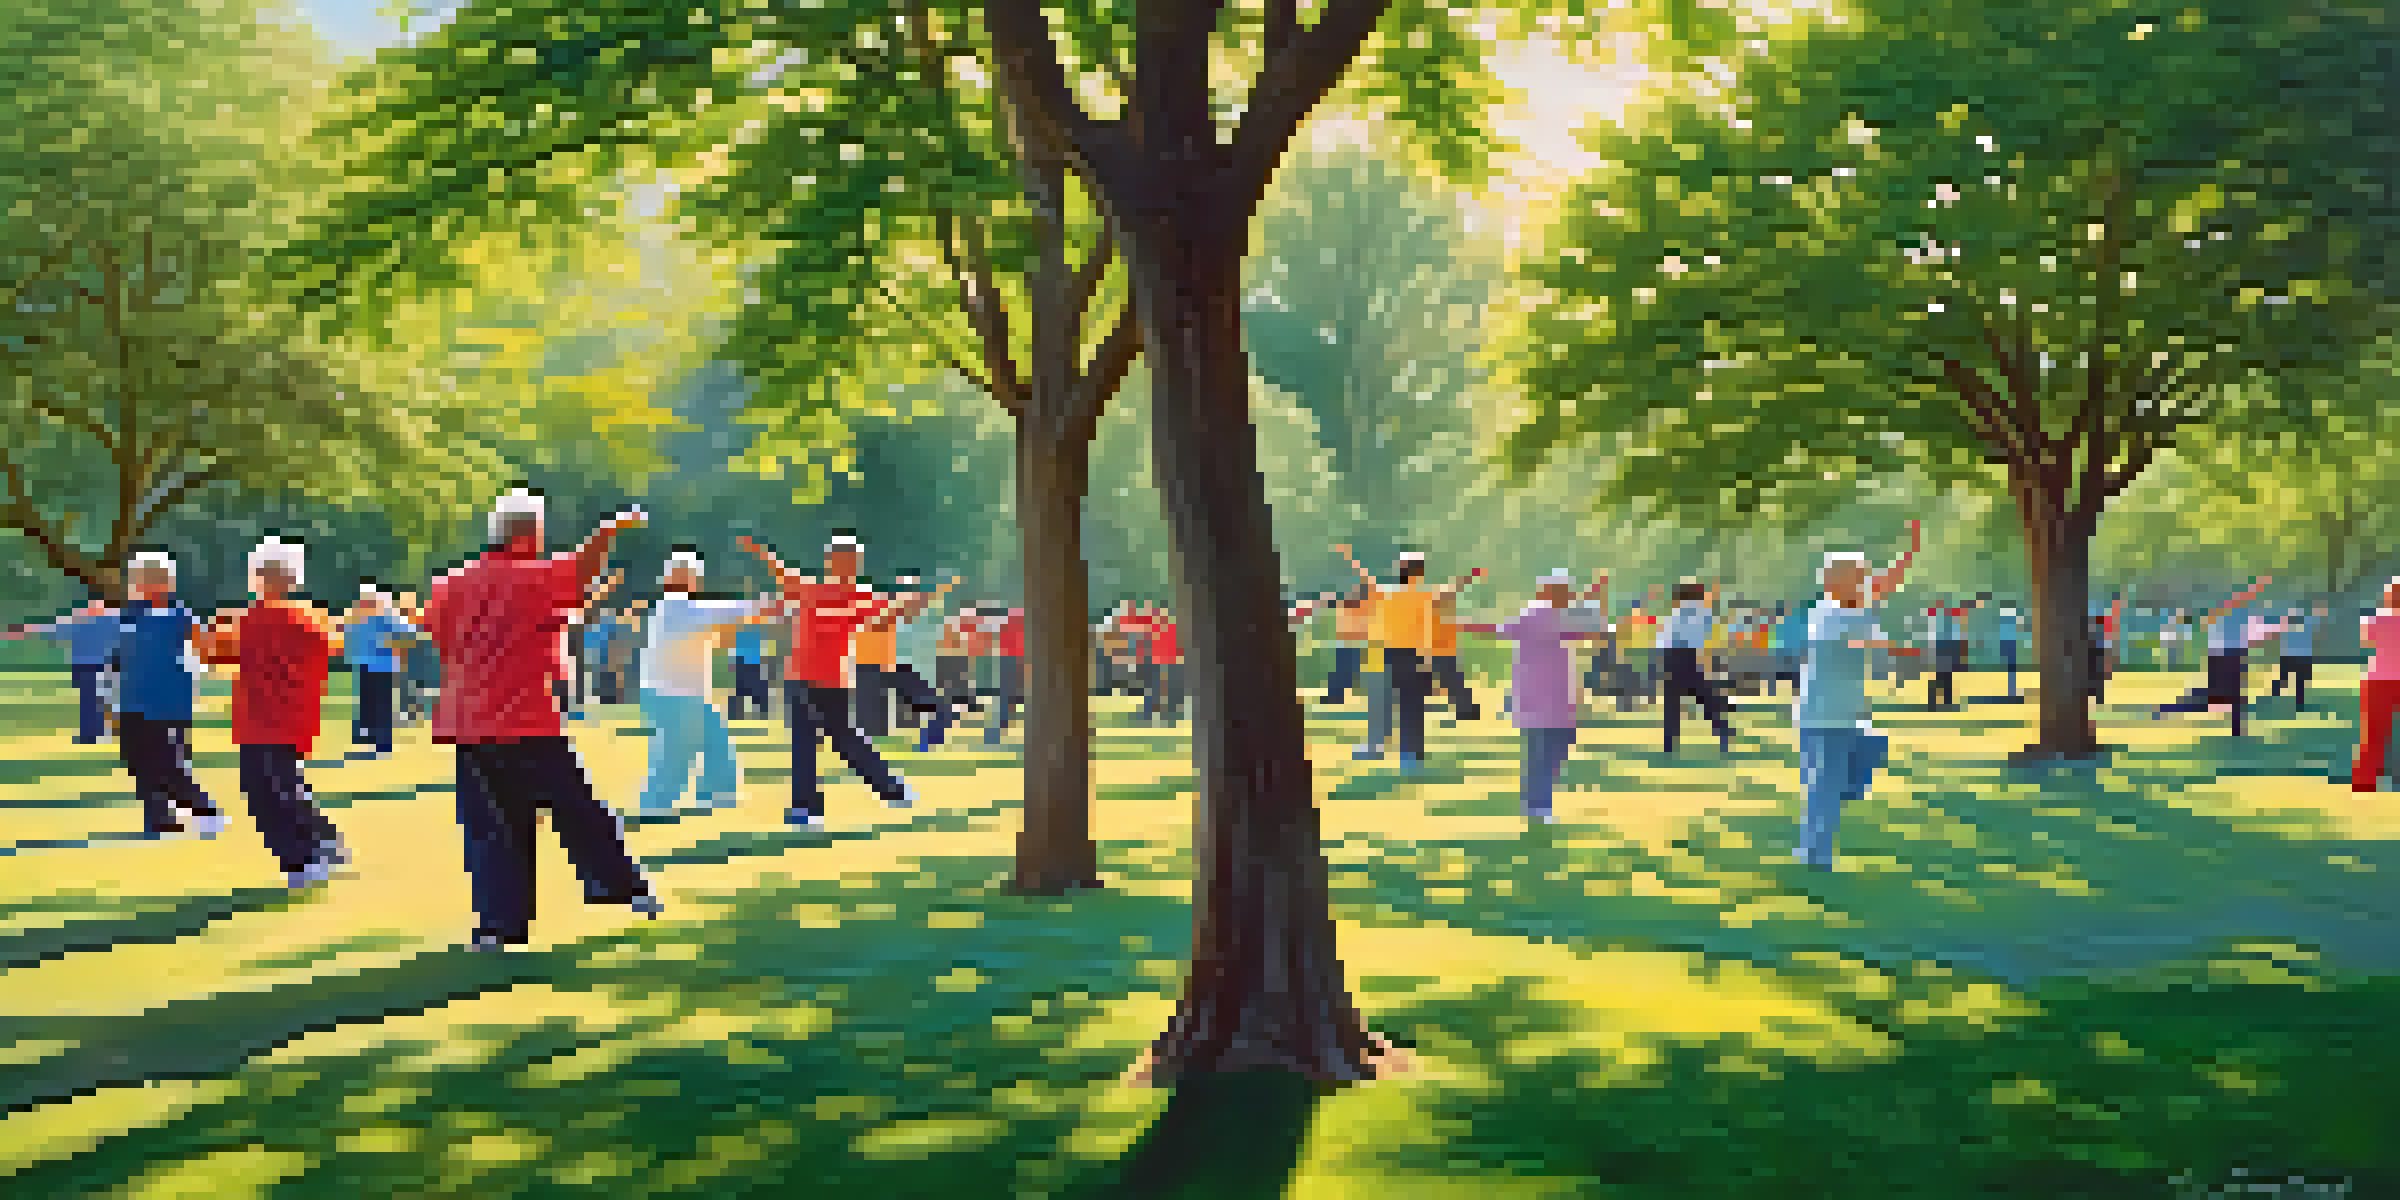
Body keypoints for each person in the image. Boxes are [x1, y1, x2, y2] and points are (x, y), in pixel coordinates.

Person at [427, 489, 663, 952]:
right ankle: (625, 890)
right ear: (530, 533)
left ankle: (500, 926)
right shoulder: (536, 575)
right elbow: (582, 565)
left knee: (493, 828)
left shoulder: (450, 583)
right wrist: (611, 529)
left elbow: (445, 638)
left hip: (469, 721)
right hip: (525, 716)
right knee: (577, 810)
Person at [192, 537, 349, 889]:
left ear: (287, 578)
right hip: (256, 717)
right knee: (264, 789)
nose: (261, 579)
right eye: (260, 572)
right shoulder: (254, 619)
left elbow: (332, 648)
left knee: (280, 787)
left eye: (269, 572)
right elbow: (214, 654)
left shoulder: (294, 618)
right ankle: (312, 851)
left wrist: (212, 633)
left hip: (285, 716)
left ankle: (308, 856)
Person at [741, 531, 918, 827]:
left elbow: (888, 616)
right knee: (806, 742)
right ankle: (806, 809)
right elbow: (780, 570)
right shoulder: (811, 588)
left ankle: (893, 790)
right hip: (801, 679)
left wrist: (906, 601)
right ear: (830, 562)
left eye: (852, 560)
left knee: (844, 741)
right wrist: (760, 549)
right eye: (842, 559)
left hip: (834, 682)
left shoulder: (860, 595)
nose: (847, 565)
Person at [1793, 521, 1921, 871]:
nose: (1867, 581)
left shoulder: (1847, 608)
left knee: (1870, 747)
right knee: (1823, 788)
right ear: (1838, 583)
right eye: (1860, 576)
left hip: (1838, 714)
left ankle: (1826, 819)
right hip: (1825, 715)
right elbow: (1861, 641)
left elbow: (1885, 585)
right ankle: (1816, 856)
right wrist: (1901, 652)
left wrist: (1909, 552)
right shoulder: (1834, 614)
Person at [636, 547, 783, 815]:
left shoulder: (673, 608)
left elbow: (719, 631)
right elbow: (729, 612)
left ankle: (718, 793)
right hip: (675, 695)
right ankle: (653, 805)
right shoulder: (681, 608)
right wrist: (771, 605)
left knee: (716, 740)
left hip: (677, 693)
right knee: (676, 752)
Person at [1460, 571, 1610, 823]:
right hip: (1539, 699)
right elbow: (1592, 630)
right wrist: (1462, 623)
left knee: (1552, 750)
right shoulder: (1539, 616)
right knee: (1543, 753)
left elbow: (1595, 632)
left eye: (1568, 591)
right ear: (1551, 593)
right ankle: (1538, 807)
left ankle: (1534, 803)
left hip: (1555, 699)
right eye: (1564, 591)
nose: (1569, 595)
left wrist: (1596, 597)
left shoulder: (1553, 616)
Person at [1336, 545, 1477, 770]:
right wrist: (1469, 577)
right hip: (1417, 655)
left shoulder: (1388, 593)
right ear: (1420, 572)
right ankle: (1410, 756)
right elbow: (1449, 593)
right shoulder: (1426, 596)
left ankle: (1378, 748)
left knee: (1387, 705)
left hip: (1390, 655)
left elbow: (1366, 579)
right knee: (1413, 707)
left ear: (1400, 570)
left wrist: (1349, 557)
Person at [2153, 576, 2272, 737]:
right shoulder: (2226, 608)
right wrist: (2256, 586)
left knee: (2230, 696)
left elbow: (2251, 635)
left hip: (2233, 655)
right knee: (2217, 696)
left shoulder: (2243, 613)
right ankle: (2169, 709)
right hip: (2223, 656)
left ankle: (2238, 729)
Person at [1, 590, 124, 744]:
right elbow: (48, 629)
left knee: (100, 700)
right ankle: (93, 733)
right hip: (87, 667)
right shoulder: (82, 619)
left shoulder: (108, 619)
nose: (93, 607)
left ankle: (96, 734)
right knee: (92, 701)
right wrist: (21, 631)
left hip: (102, 666)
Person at [1658, 578, 1737, 755]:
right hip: (1689, 658)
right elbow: (1702, 640)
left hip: (1671, 660)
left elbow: (1662, 640)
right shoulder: (1701, 612)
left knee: (1672, 706)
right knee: (1707, 700)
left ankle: (1669, 746)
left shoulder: (1674, 613)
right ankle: (1723, 735)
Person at [341, 582, 417, 758]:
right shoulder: (360, 619)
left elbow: (408, 635)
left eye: (368, 600)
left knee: (382, 706)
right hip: (364, 666)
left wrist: (390, 644)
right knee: (368, 704)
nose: (364, 603)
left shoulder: (388, 617)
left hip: (383, 667)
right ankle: (368, 737)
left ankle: (383, 744)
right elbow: (351, 640)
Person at [2350, 579, 2400, 792]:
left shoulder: (2376, 619)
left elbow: (2366, 642)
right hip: (2386, 681)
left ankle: (2364, 783)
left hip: (2379, 681)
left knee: (2374, 736)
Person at [2267, 603, 2327, 713]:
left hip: (2296, 657)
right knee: (2293, 681)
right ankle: (2294, 702)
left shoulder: (2299, 624)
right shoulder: (2306, 623)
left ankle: (2297, 704)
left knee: (2295, 681)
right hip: (2295, 657)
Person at [1322, 582, 1375, 705]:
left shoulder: (1363, 607)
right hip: (1349, 644)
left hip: (1353, 644)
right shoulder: (1353, 606)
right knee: (1344, 672)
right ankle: (1336, 695)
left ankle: (1336, 696)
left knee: (1345, 672)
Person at [986, 605, 1029, 744]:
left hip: (1010, 660)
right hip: (1012, 660)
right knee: (1006, 697)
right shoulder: (1014, 620)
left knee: (1006, 698)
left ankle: (996, 732)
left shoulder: (1009, 619)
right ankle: (996, 732)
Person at [1926, 597, 1969, 711]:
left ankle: (1944, 702)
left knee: (1946, 676)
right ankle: (1935, 702)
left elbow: (1960, 634)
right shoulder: (1938, 615)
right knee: (1942, 675)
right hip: (1943, 647)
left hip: (1949, 647)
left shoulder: (1954, 615)